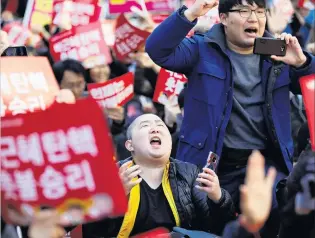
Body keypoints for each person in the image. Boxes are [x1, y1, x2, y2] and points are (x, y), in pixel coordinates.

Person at [146, 0, 315, 236]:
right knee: (210, 228)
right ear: (223, 18)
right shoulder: (202, 49)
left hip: (264, 165)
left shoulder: (278, 52)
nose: (254, 19)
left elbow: (310, 86)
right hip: (211, 166)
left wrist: (302, 63)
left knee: (272, 227)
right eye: (244, 11)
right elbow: (157, 49)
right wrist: (191, 12)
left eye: (259, 12)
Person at [83, 113, 236, 237]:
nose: (155, 130)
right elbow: (91, 232)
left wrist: (218, 198)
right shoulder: (112, 174)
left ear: (169, 141)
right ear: (129, 145)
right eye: (145, 126)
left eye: (160, 126)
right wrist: (114, 198)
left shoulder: (189, 173)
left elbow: (218, 228)